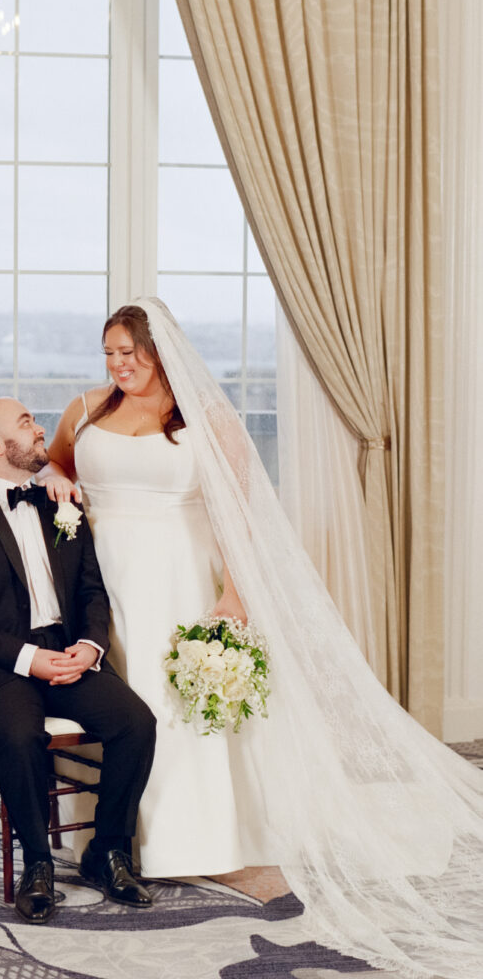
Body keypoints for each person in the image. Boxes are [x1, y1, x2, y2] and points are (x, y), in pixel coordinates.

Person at [38, 298, 483, 978]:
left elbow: (238, 517)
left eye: (130, 352)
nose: (118, 365)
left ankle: (200, 840)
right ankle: (116, 839)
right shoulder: (85, 409)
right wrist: (58, 482)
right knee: (121, 706)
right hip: (101, 587)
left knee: (181, 707)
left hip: (180, 578)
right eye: (109, 353)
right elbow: (60, 467)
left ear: (162, 351)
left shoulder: (208, 421)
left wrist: (232, 597)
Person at [0, 397, 156, 925]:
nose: (41, 428)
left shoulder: (59, 504)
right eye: (26, 423)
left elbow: (93, 590)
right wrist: (30, 660)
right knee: (23, 737)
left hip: (66, 652)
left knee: (136, 724)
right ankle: (38, 864)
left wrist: (90, 647)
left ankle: (107, 851)